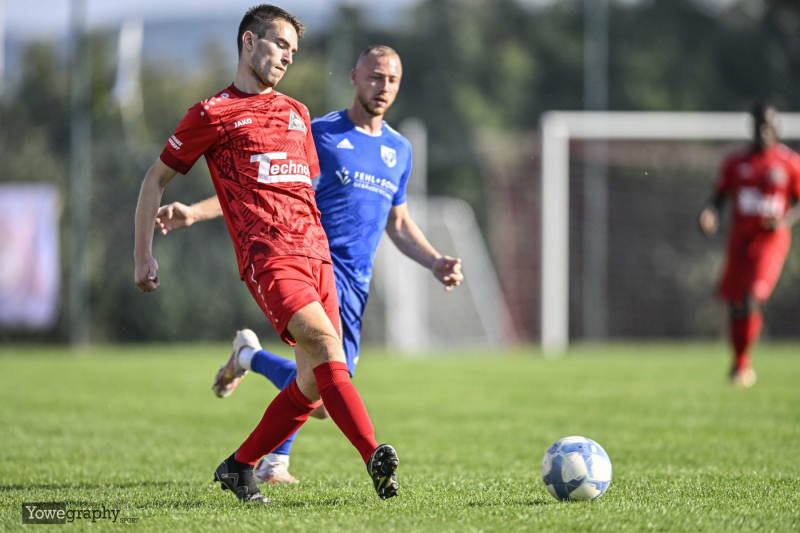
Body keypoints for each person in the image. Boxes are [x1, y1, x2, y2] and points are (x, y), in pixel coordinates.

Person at [155, 45, 465, 483]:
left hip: (355, 282)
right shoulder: (317, 132)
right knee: (325, 377)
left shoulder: (400, 149)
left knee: (321, 392)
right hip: (309, 262)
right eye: (375, 77)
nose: (383, 87)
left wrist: (434, 261)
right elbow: (263, 189)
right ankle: (273, 460)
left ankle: (250, 360)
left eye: (392, 79)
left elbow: (398, 223)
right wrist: (194, 212)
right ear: (355, 77)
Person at [134, 4, 399, 503]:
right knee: (326, 348)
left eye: (294, 52)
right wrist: (143, 254)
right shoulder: (213, 113)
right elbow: (155, 178)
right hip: (269, 257)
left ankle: (238, 466)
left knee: (313, 384)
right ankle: (374, 455)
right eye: (279, 45)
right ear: (249, 42)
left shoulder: (298, 113)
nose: (286, 58)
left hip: (319, 258)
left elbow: (293, 187)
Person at [699, 103, 800, 387]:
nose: (764, 131)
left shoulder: (790, 163)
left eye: (768, 125)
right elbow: (717, 197)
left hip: (770, 242)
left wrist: (785, 221)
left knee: (751, 296)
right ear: (752, 128)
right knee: (735, 303)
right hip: (739, 242)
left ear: (776, 127)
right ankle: (739, 364)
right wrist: (709, 213)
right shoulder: (735, 163)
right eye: (759, 126)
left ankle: (743, 368)